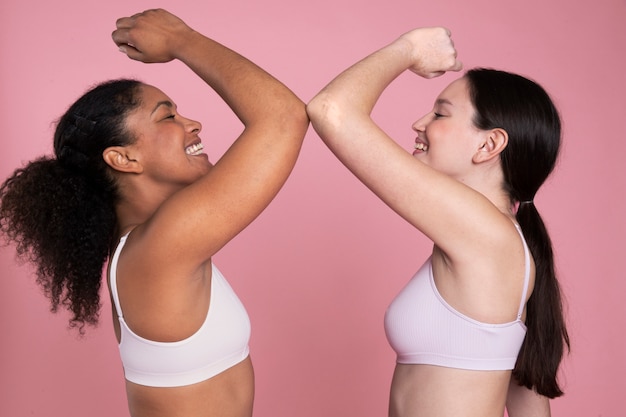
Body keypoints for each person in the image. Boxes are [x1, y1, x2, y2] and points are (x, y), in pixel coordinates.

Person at [0, 9, 307, 417]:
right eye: (168, 117)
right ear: (123, 158)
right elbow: (283, 117)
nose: (192, 123)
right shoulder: (161, 245)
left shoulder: (144, 244)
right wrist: (180, 39)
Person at [307, 28, 569, 417]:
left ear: (488, 145)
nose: (419, 122)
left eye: (440, 113)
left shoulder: (484, 230)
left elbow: (331, 109)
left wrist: (409, 49)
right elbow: (529, 398)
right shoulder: (501, 240)